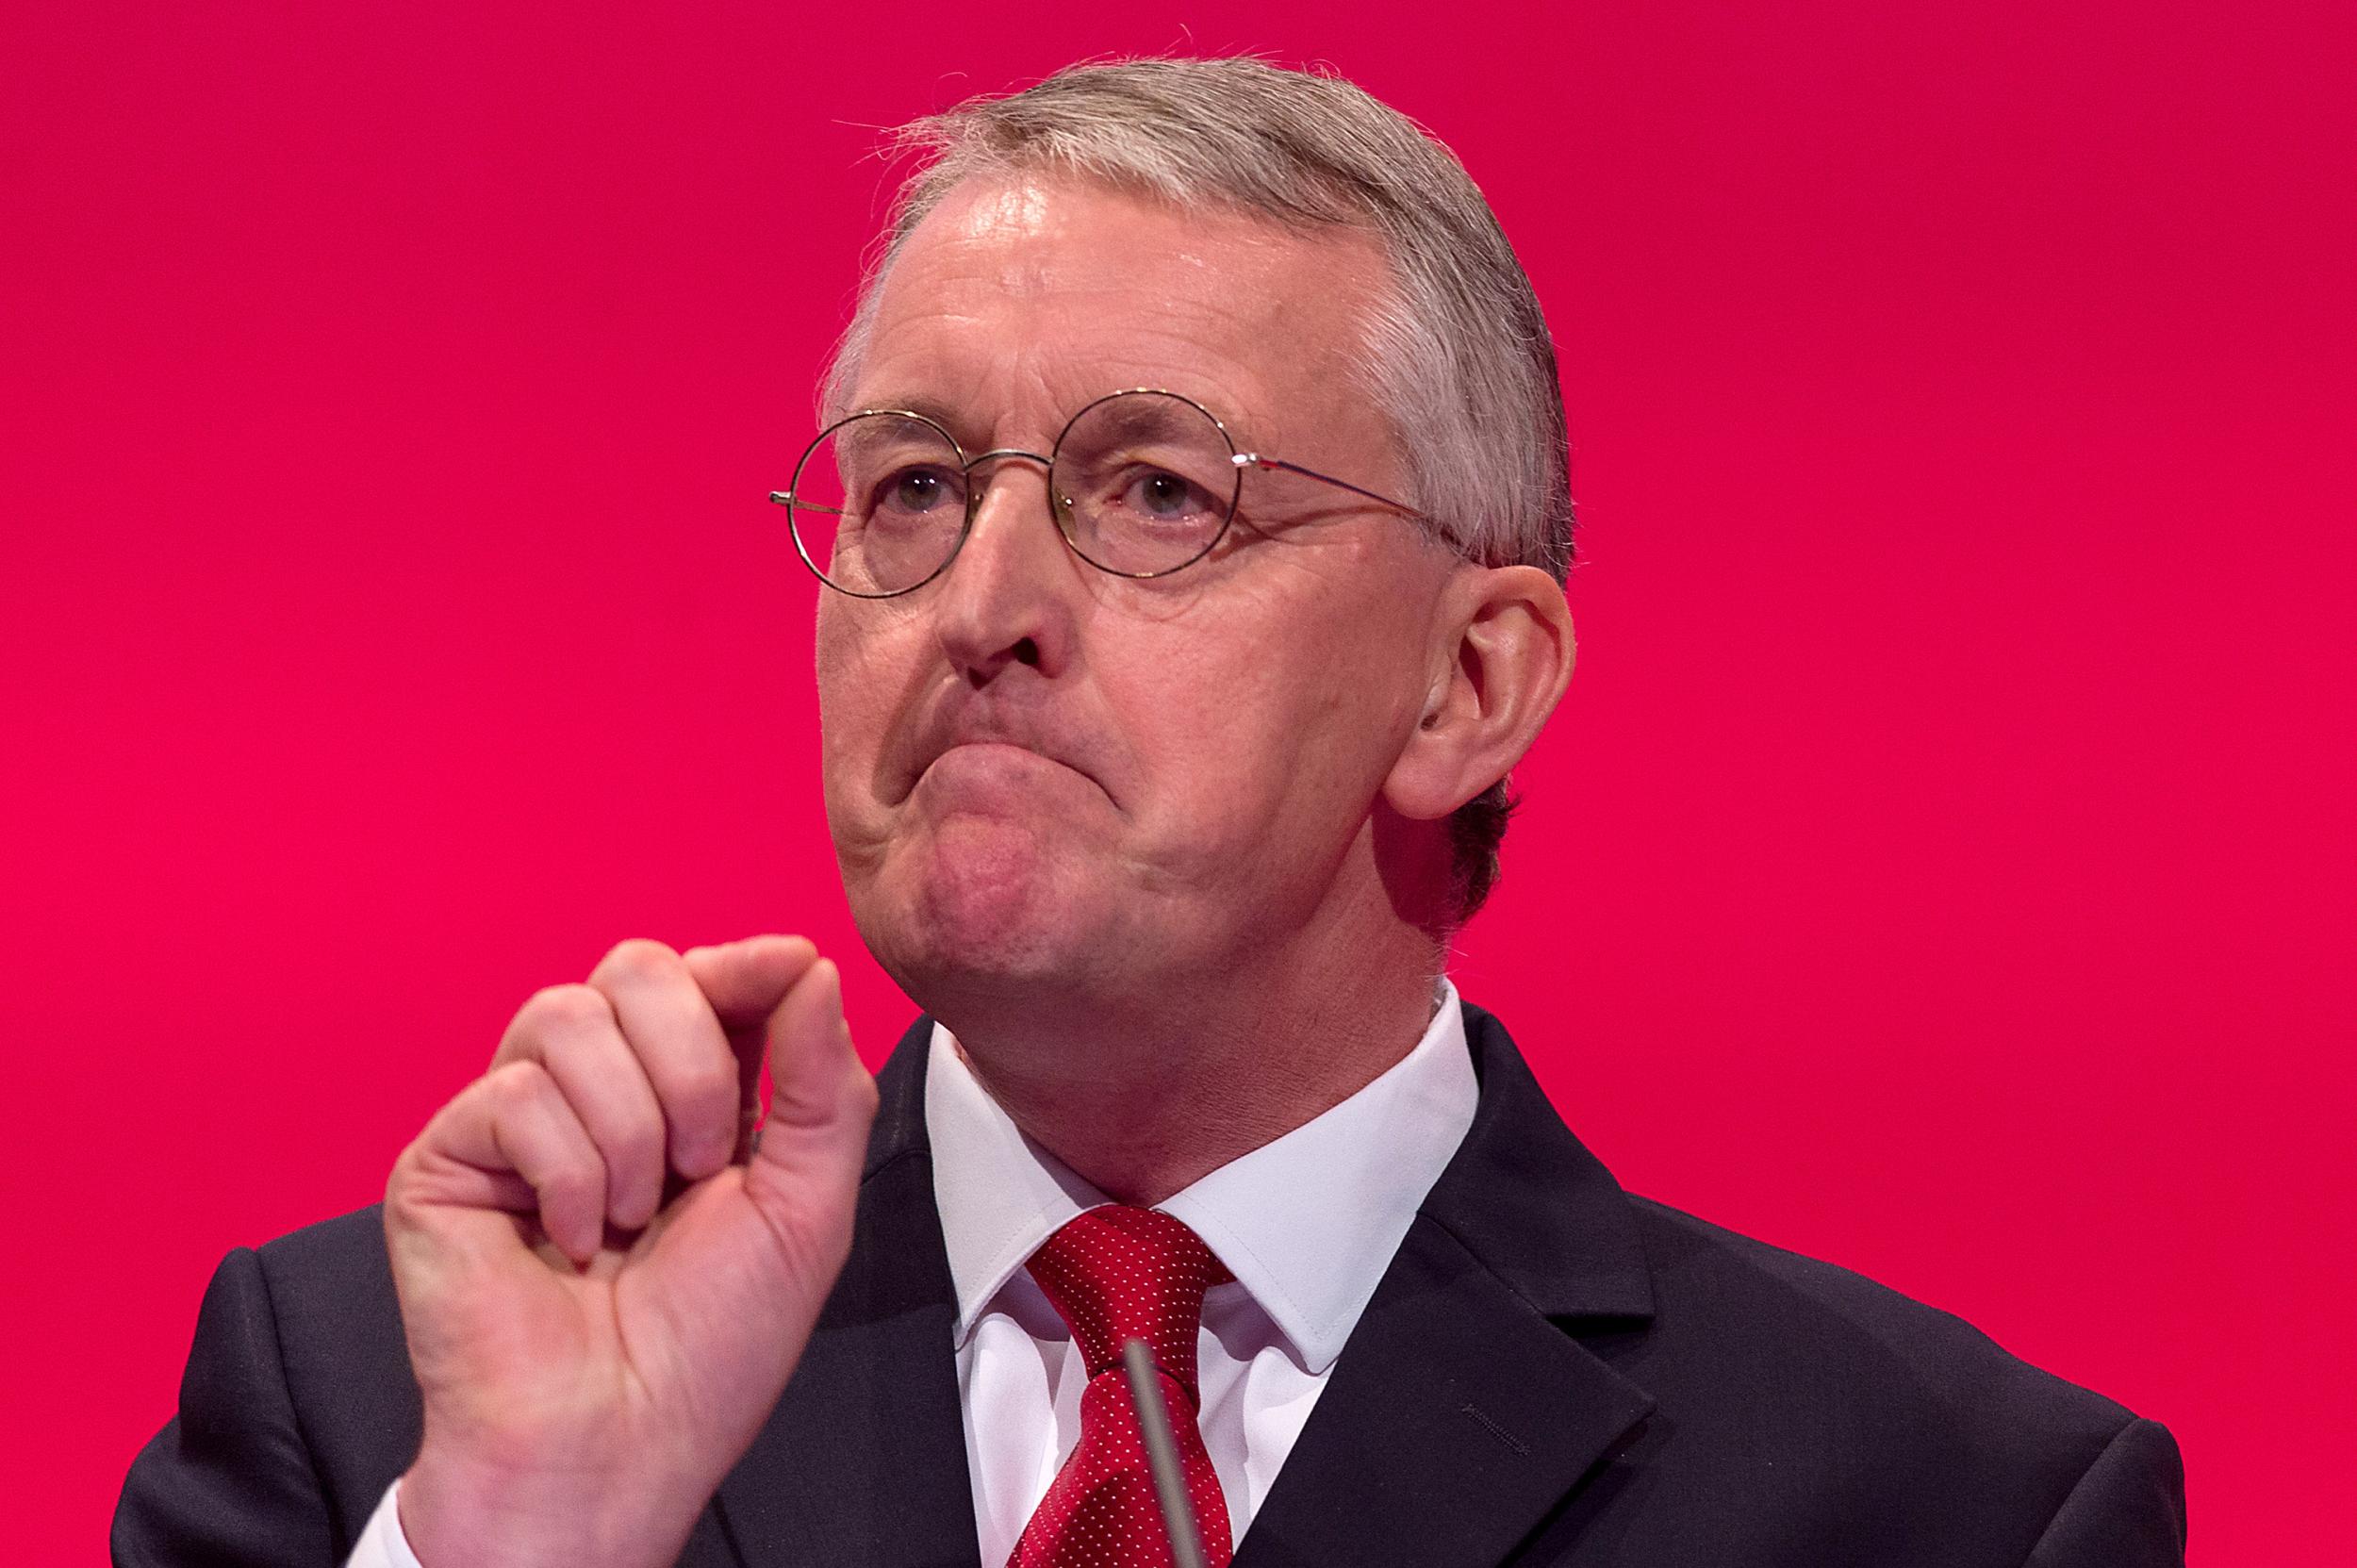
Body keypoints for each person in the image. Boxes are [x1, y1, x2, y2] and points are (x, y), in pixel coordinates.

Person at [115, 56, 2187, 1568]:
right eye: (912, 483)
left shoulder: (1935, 1506)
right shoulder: (388, 1408)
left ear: (1468, 683)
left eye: (1158, 491)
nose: (982, 608)